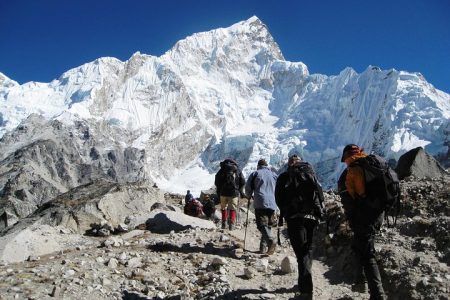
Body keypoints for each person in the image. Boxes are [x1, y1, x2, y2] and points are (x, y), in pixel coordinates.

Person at [339, 144, 386, 300]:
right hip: (379, 214)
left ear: (346, 157)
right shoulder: (372, 164)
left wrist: (353, 217)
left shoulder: (352, 170)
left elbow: (352, 198)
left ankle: (378, 294)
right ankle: (360, 282)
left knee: (367, 254)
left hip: (364, 217)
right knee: (360, 247)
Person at [275, 154, 324, 300]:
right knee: (307, 251)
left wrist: (286, 211)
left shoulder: (285, 177)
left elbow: (278, 198)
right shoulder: (310, 174)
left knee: (300, 252)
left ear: (289, 163)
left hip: (295, 218)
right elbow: (319, 194)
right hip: (313, 218)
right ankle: (303, 283)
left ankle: (306, 291)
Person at [245, 159, 278, 255]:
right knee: (268, 225)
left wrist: (248, 195)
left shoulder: (255, 173)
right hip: (272, 202)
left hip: (260, 201)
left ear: (258, 165)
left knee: (262, 224)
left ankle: (270, 241)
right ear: (266, 165)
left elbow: (248, 187)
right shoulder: (273, 175)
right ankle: (263, 249)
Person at [214, 158, 246, 230]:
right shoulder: (237, 170)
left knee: (223, 208)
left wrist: (219, 191)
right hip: (234, 193)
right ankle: (231, 225)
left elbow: (216, 182)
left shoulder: (222, 170)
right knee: (232, 209)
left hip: (223, 193)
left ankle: (224, 224)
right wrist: (239, 191)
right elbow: (243, 181)